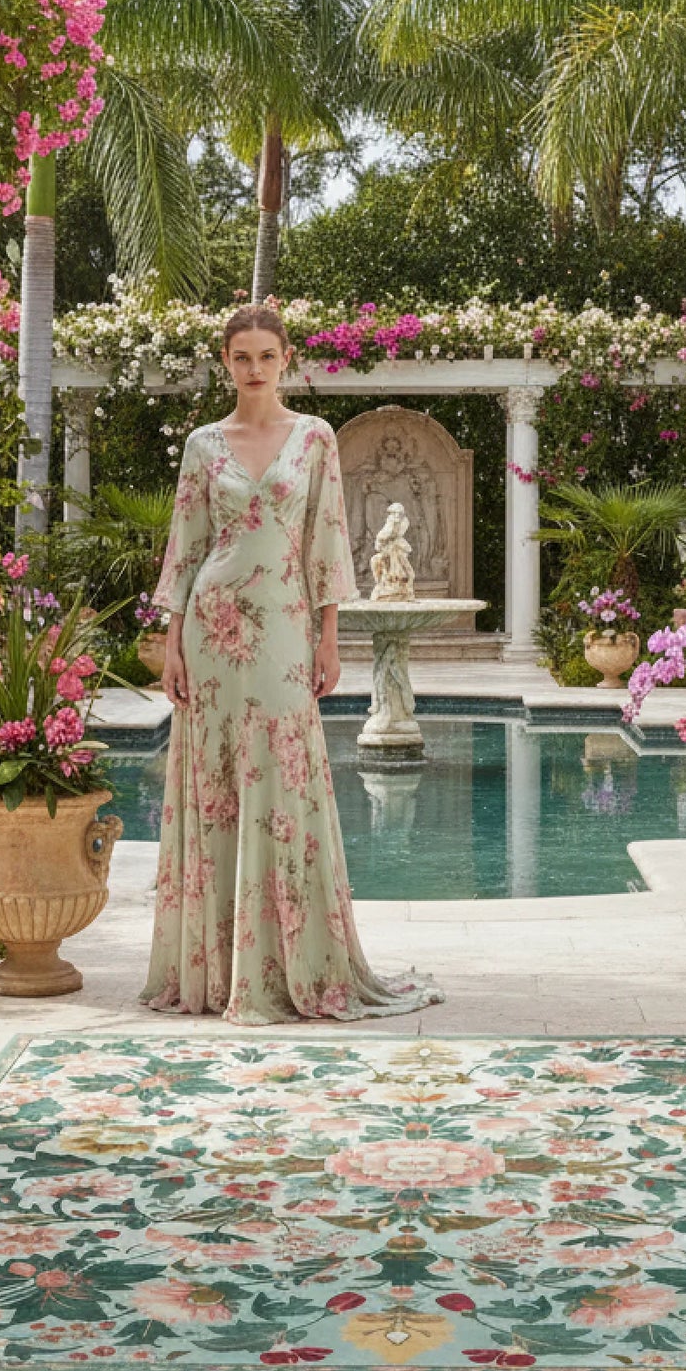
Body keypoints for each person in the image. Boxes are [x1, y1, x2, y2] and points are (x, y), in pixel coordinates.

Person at [139, 303, 443, 1026]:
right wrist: (173, 642)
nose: (253, 368)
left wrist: (331, 637)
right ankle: (217, 973)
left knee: (284, 779)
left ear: (286, 360)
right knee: (215, 786)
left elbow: (327, 540)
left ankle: (288, 965)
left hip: (282, 628)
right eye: (240, 356)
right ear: (226, 361)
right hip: (212, 634)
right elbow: (186, 547)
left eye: (265, 356)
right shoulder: (202, 444)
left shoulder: (315, 439)